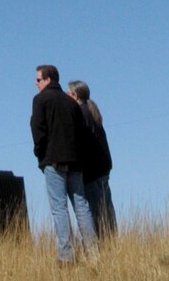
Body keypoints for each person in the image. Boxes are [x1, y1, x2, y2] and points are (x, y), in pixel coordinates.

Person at [31, 65, 96, 264]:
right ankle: (94, 254)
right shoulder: (72, 103)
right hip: (75, 161)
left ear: (48, 79)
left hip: (54, 161)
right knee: (81, 206)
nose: (36, 83)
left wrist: (40, 156)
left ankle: (66, 256)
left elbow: (38, 130)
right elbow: (83, 133)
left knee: (59, 208)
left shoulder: (40, 100)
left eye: (39, 80)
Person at [68, 82, 116, 235]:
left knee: (96, 212)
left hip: (91, 172)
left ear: (75, 95)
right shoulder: (93, 111)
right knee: (107, 209)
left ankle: (102, 242)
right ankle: (111, 240)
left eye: (69, 93)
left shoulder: (80, 114)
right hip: (103, 169)